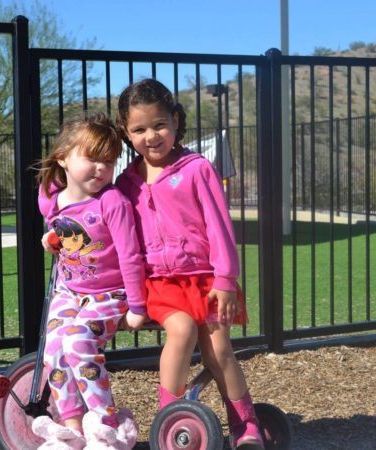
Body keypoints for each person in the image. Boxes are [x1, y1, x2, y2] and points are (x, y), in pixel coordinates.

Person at [115, 79, 264, 450]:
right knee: (181, 330)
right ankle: (171, 418)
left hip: (208, 281)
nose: (151, 135)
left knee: (219, 351)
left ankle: (245, 425)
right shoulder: (125, 183)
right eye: (139, 129)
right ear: (125, 131)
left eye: (159, 125)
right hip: (161, 284)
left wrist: (226, 279)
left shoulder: (196, 168)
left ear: (176, 121)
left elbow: (220, 226)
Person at [32, 111, 146, 450]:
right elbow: (56, 225)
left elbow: (130, 254)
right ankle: (74, 432)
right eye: (92, 158)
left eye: (108, 162)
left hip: (108, 294)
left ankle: (106, 429)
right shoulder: (52, 200)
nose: (101, 169)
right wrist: (50, 236)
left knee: (79, 344)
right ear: (64, 157)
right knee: (54, 350)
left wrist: (137, 306)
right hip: (69, 292)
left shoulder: (112, 201)